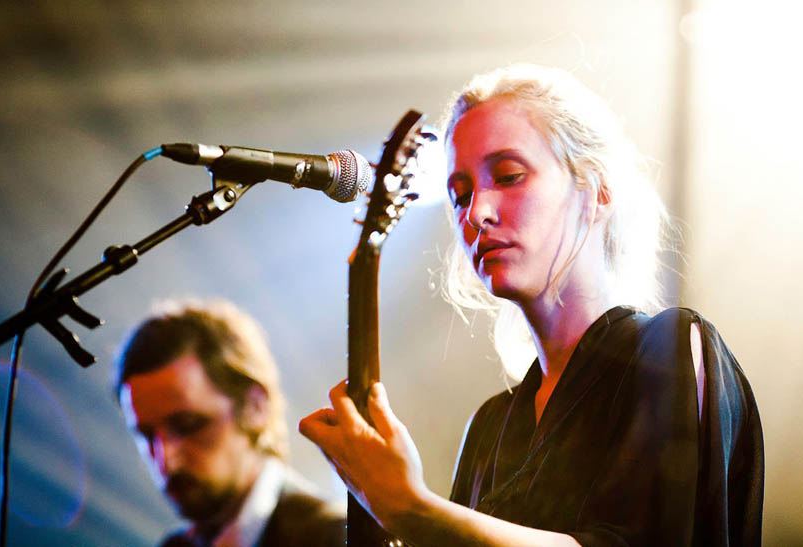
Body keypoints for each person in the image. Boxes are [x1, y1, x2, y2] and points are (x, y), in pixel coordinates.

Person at [299, 64, 764, 546]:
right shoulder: (490, 429)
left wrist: (411, 506)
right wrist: (380, 506)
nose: (476, 213)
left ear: (598, 189)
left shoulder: (668, 350)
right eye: (459, 196)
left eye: (509, 175)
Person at [116, 299, 346, 547]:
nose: (166, 460)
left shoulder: (337, 537)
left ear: (256, 407)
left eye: (188, 424)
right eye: (147, 435)